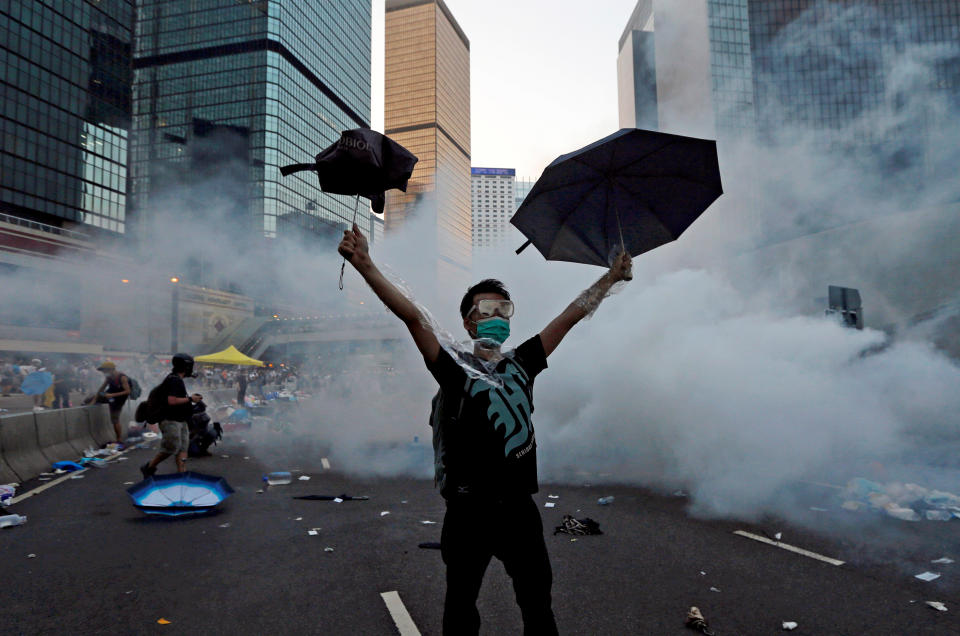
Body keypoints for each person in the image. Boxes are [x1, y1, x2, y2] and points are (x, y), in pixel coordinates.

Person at [338, 224, 632, 635]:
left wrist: (610, 278)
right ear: (469, 322)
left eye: (504, 310)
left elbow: (571, 315)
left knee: (538, 608)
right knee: (460, 609)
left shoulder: (522, 364)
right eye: (487, 310)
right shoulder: (453, 368)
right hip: (467, 511)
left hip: (518, 509)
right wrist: (366, 265)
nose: (497, 318)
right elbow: (411, 315)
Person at [141, 354, 197, 477]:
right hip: (170, 420)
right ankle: (149, 467)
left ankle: (182, 474)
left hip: (181, 420)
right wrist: (190, 399)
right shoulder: (174, 380)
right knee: (171, 448)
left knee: (183, 448)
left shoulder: (176, 379)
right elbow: (172, 401)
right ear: (186, 366)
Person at [91, 361, 131, 443]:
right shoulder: (109, 378)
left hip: (119, 400)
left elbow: (127, 391)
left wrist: (112, 395)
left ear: (111, 370)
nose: (104, 373)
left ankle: (119, 439)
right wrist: (94, 399)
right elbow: (101, 389)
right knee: (90, 397)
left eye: (105, 371)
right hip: (110, 396)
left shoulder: (122, 377)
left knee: (115, 419)